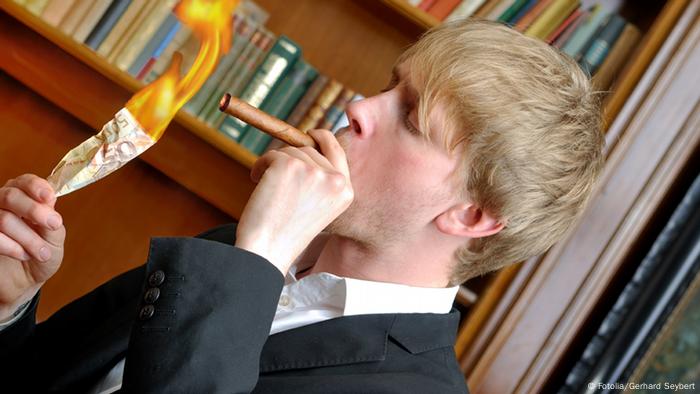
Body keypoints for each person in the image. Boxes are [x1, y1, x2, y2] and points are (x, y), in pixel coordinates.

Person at [0, 18, 604, 393]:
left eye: (412, 119)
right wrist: (10, 305)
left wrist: (256, 260)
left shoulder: (405, 389)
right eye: (392, 86)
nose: (361, 107)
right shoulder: (230, 251)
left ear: (472, 216)